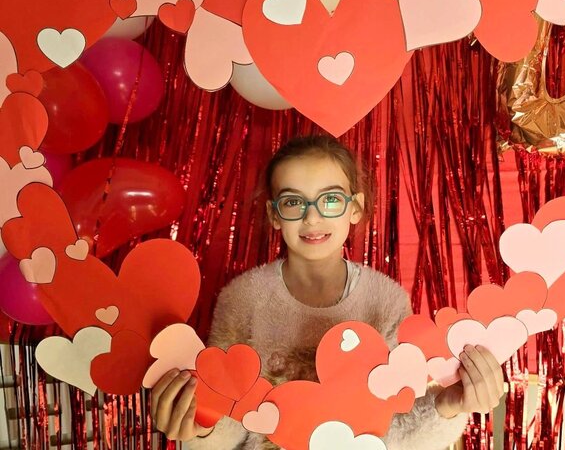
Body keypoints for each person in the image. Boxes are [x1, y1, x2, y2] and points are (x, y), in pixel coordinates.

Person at [150, 135, 505, 449]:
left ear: (355, 207)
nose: (312, 218)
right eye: (293, 202)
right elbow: (229, 420)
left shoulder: (386, 301)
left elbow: (397, 428)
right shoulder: (242, 298)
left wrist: (450, 404)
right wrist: (198, 426)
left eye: (330, 199)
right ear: (274, 215)